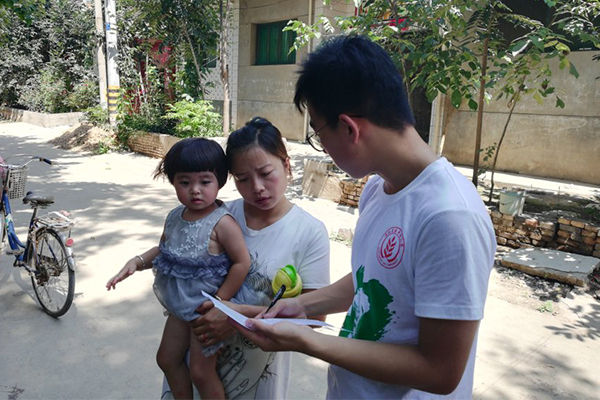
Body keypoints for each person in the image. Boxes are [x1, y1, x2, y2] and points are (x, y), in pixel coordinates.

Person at [232, 35, 497, 399]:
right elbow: (371, 278)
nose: (323, 148)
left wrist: (307, 340)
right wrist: (301, 305)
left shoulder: (450, 217)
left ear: (349, 128)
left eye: (319, 134)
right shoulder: (378, 189)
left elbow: (440, 371)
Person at [162, 117, 331, 399]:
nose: (257, 187)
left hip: (254, 377)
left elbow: (313, 318)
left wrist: (235, 315)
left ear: (286, 165)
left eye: (266, 173)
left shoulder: (309, 232)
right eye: (242, 179)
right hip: (193, 369)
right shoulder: (217, 217)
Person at [106, 138, 269, 400]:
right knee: (166, 359)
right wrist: (137, 262)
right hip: (179, 306)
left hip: (205, 312)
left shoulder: (222, 223)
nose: (195, 190)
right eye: (184, 182)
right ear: (172, 182)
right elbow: (164, 250)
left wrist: (220, 302)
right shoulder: (174, 217)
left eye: (205, 182)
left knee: (201, 373)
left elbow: (242, 263)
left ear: (219, 181)